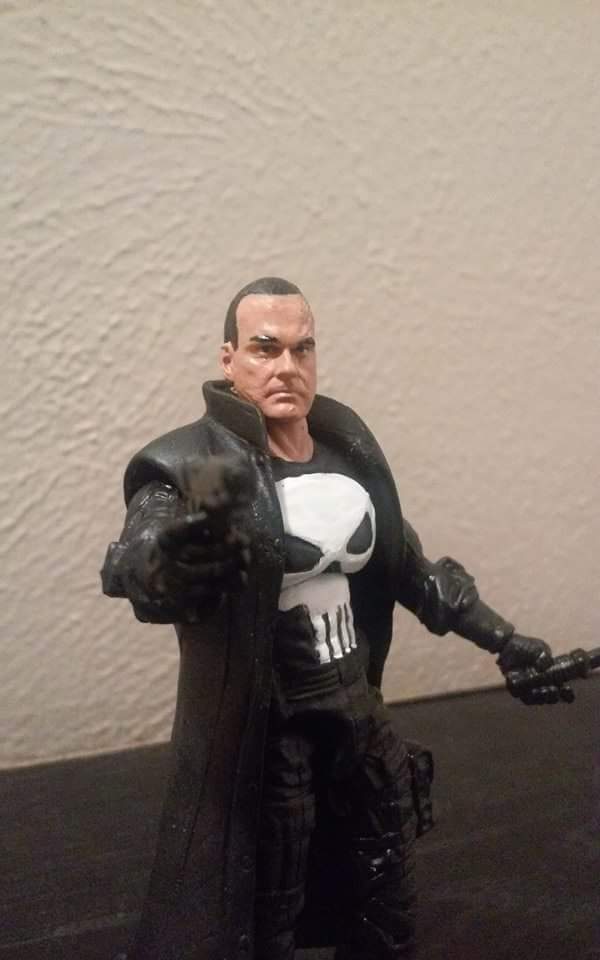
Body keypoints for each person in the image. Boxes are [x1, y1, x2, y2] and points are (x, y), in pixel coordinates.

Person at [102, 278, 567, 960]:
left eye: (302, 349)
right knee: (273, 889)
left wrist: (506, 641)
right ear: (229, 359)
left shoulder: (345, 452)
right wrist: (160, 561)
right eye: (265, 349)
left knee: (384, 867)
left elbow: (415, 572)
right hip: (277, 722)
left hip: (357, 705)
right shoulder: (218, 469)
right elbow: (156, 554)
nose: (286, 367)